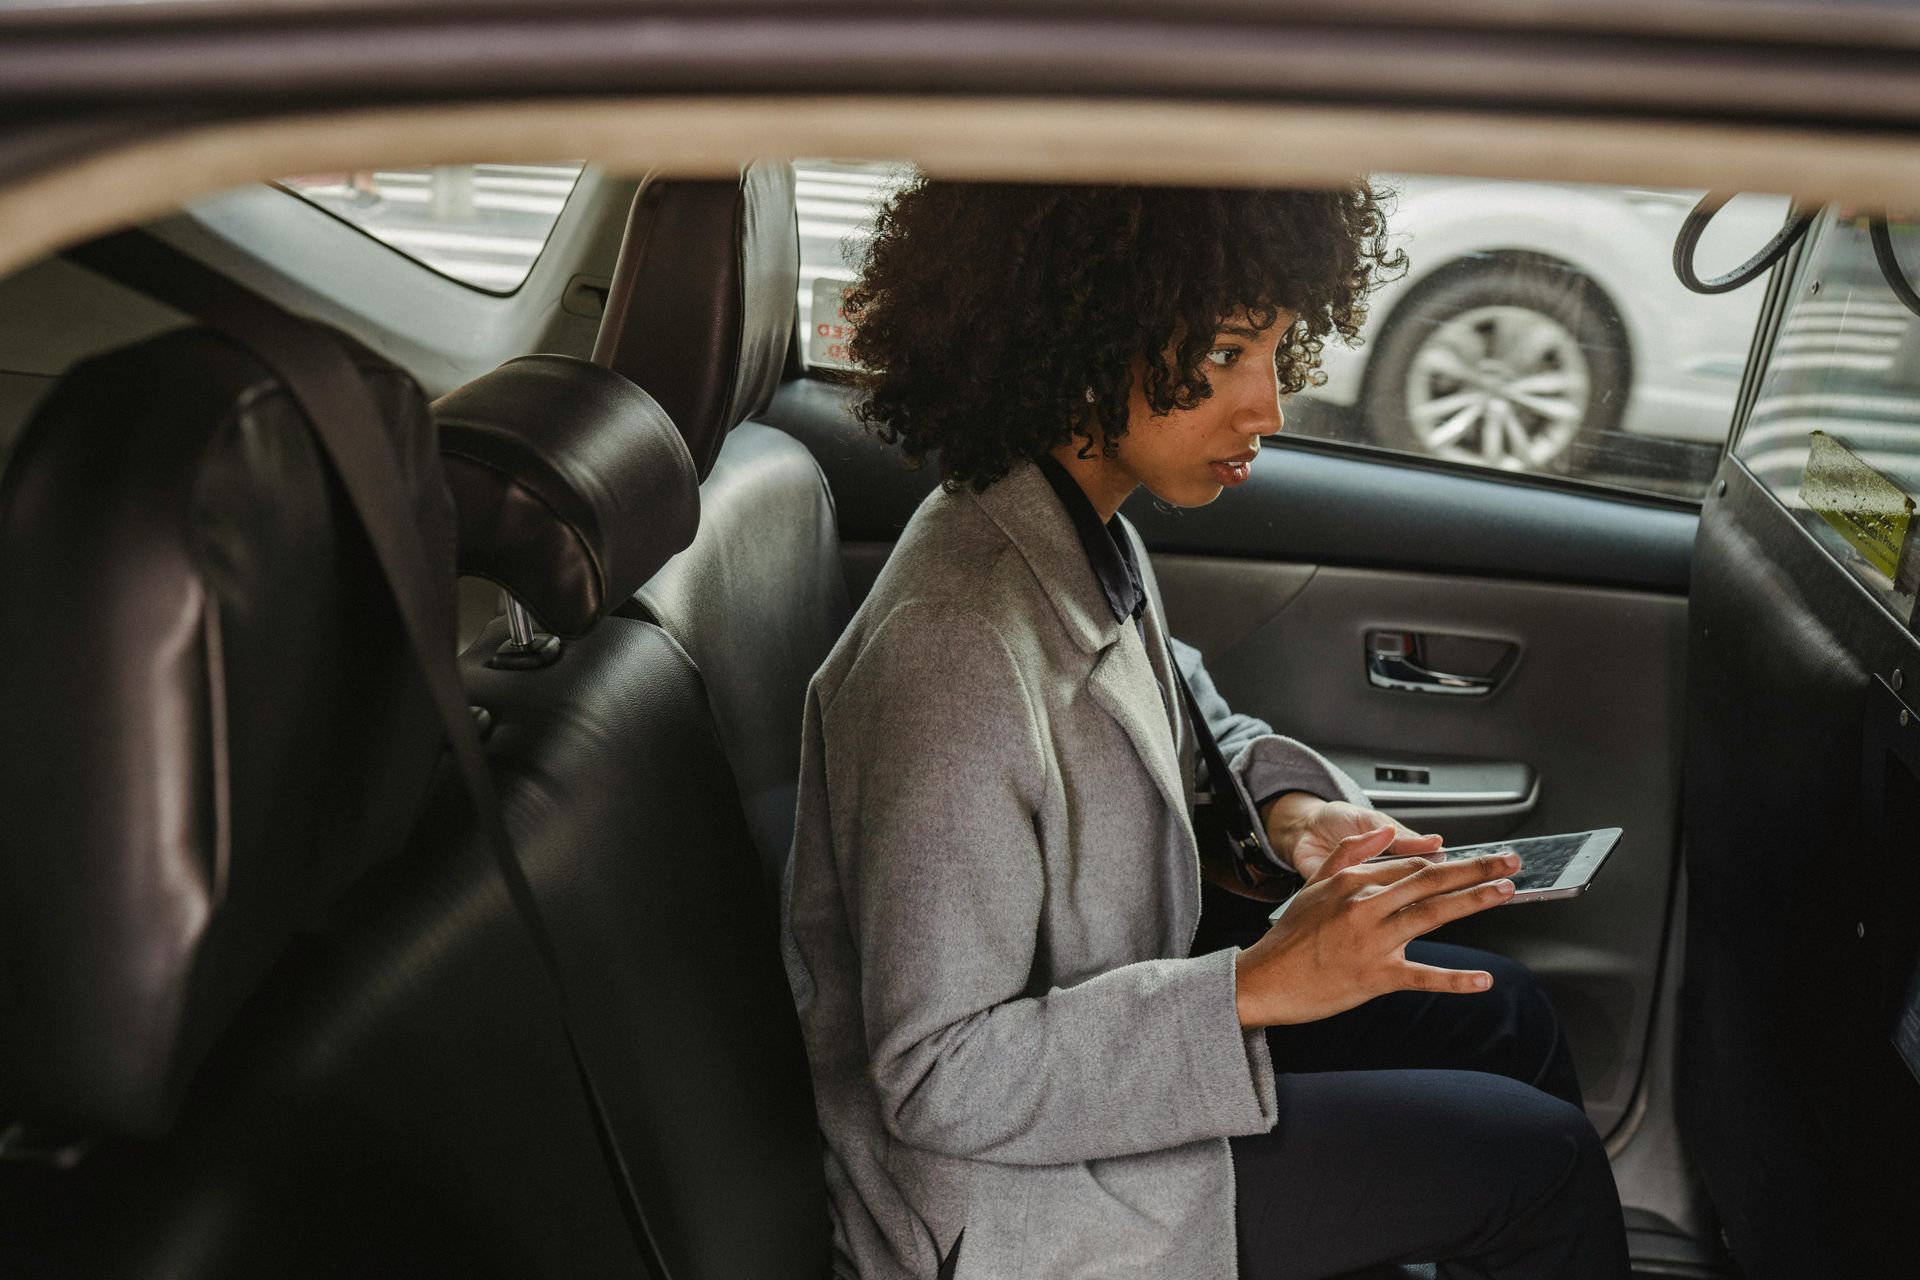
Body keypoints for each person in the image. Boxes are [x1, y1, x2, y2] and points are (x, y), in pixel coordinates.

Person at [780, 179, 1630, 1280]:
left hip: (1105, 1068)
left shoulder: (1072, 527)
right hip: (1014, 1205)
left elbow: (1172, 703)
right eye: (1230, 351)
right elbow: (940, 1074)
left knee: (1504, 1011)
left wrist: (1294, 811)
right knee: (1540, 1165)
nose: (1267, 406)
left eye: (1278, 348)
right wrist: (1256, 986)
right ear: (1079, 333)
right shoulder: (952, 645)